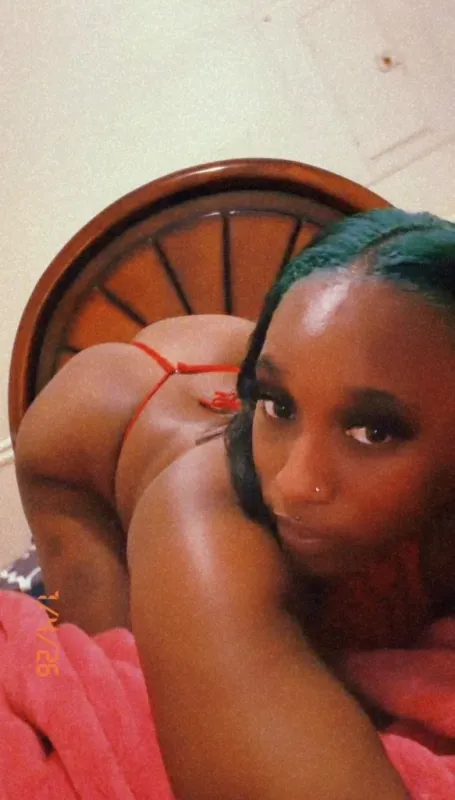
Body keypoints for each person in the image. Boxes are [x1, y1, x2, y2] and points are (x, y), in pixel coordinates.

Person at [15, 208, 455, 798]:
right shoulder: (203, 512)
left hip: (237, 356)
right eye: (275, 404)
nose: (294, 485)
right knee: (114, 680)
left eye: (372, 431)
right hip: (89, 430)